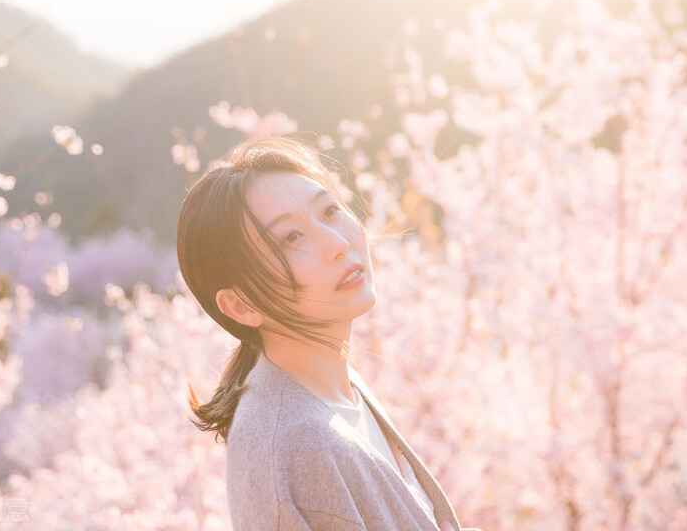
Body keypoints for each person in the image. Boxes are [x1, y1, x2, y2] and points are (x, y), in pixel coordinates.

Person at [177, 135, 470, 530]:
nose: (337, 243)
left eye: (330, 210)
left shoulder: (334, 389)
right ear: (242, 306)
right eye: (291, 238)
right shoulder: (293, 446)